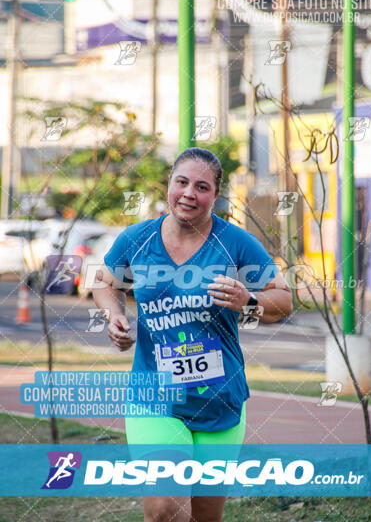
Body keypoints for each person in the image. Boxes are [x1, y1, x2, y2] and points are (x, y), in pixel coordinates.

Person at [93, 147, 293, 522]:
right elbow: (105, 282)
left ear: (215, 197)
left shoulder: (235, 242)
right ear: (169, 184)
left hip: (220, 399)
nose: (189, 193)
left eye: (202, 187)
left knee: (204, 517)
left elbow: (284, 300)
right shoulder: (137, 239)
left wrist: (248, 300)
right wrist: (114, 316)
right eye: (181, 182)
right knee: (164, 509)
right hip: (154, 397)